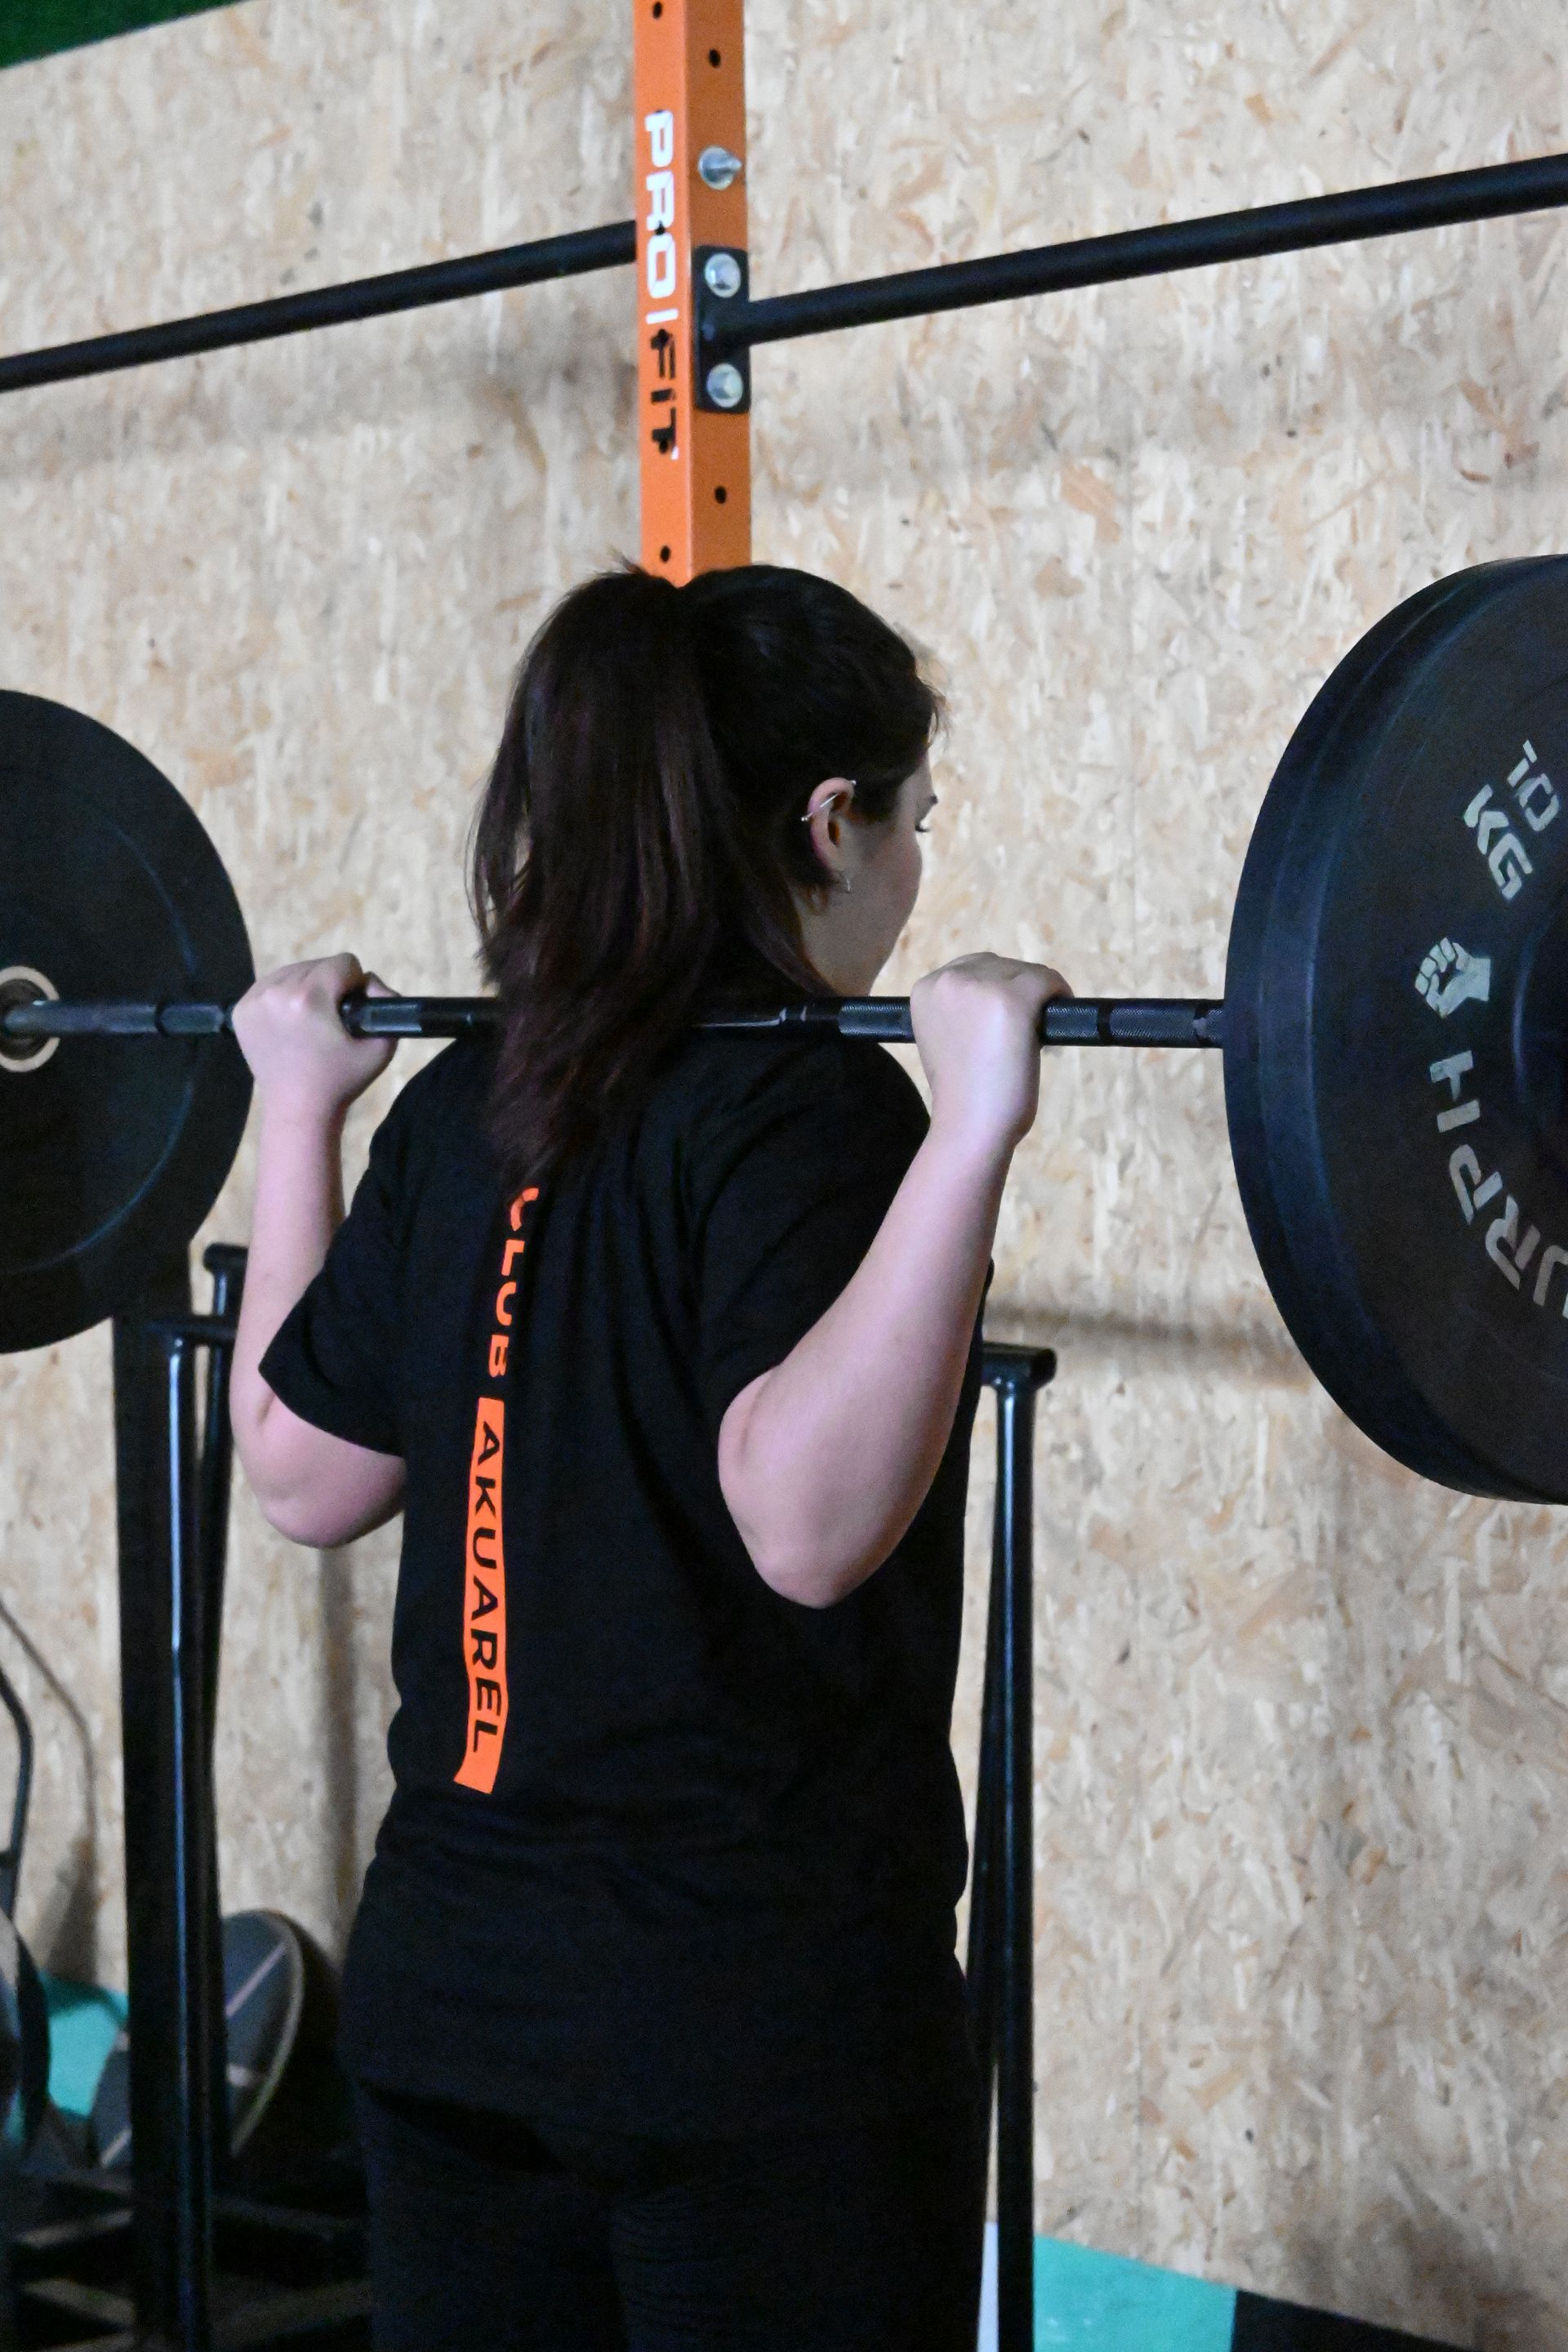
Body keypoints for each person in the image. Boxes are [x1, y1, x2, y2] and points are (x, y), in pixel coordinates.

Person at [229, 564, 1068, 2352]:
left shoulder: (476, 1098)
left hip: (454, 2020)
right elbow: (808, 1522)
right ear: (829, 823)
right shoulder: (814, 1105)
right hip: (752, 2056)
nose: (915, 880)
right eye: (915, 823)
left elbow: (298, 1466)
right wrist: (974, 1131)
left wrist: (293, 1110)